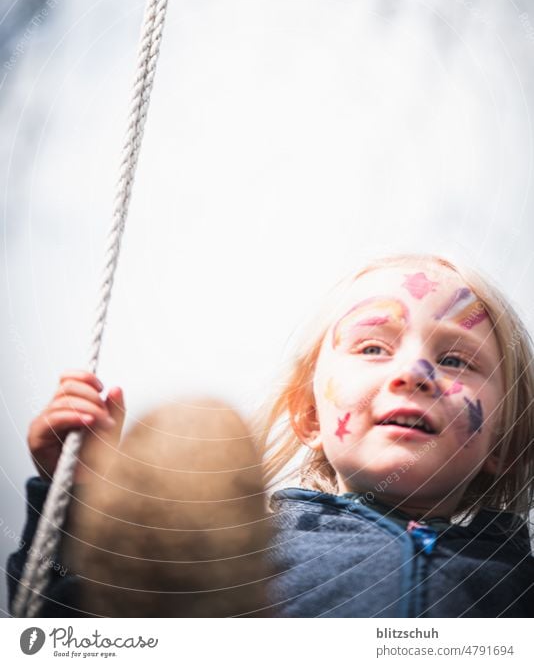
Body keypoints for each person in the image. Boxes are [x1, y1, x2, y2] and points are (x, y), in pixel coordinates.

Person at [7, 253, 534, 617]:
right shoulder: (254, 545)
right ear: (308, 416)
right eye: (373, 348)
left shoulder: (516, 584)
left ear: (507, 446)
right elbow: (68, 631)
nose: (415, 371)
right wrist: (76, 493)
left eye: (455, 359)